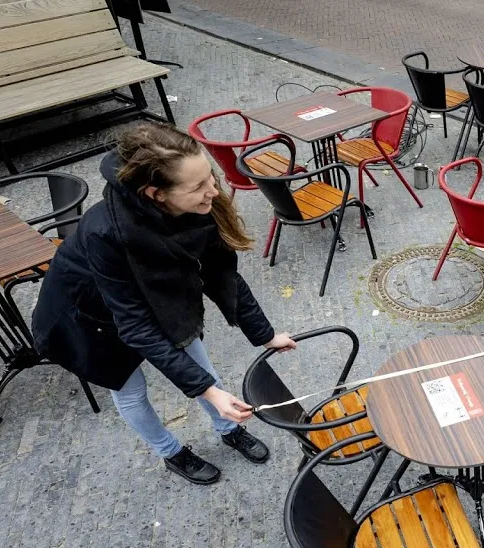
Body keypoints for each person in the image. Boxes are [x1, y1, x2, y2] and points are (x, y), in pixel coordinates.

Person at [32, 123, 297, 485]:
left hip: (157, 300)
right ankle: (171, 452)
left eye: (210, 177)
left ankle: (227, 426)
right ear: (156, 193)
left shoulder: (199, 204)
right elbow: (135, 326)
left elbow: (223, 274)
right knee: (131, 391)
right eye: (199, 186)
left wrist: (265, 334)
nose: (214, 191)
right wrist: (204, 389)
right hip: (88, 317)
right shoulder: (104, 232)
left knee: (202, 369)